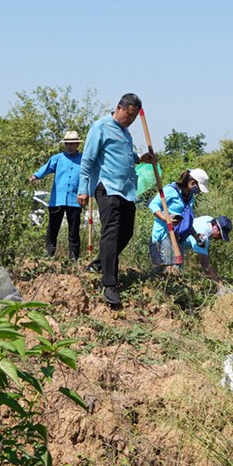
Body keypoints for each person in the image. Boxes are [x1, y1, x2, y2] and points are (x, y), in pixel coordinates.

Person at [79, 94, 154, 309]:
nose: (129, 120)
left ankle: (100, 262)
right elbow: (88, 159)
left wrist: (140, 158)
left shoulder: (126, 133)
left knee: (126, 231)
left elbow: (124, 157)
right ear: (119, 108)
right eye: (128, 116)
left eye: (133, 118)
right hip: (107, 188)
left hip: (127, 191)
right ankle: (110, 284)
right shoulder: (101, 127)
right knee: (110, 232)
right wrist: (83, 189)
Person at [31, 131, 85, 260]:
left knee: (74, 231)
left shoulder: (83, 159)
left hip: (75, 200)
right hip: (57, 199)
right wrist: (35, 176)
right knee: (53, 228)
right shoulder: (57, 158)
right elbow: (46, 168)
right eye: (67, 144)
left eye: (72, 144)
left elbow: (89, 174)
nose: (69, 147)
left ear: (77, 144)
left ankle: (73, 257)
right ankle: (49, 254)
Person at [147, 167, 210, 269]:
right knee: (164, 269)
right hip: (163, 235)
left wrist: (195, 236)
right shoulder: (171, 190)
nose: (198, 190)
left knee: (177, 271)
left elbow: (187, 220)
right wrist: (165, 218)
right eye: (198, 187)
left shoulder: (190, 197)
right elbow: (153, 205)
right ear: (192, 182)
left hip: (178, 237)